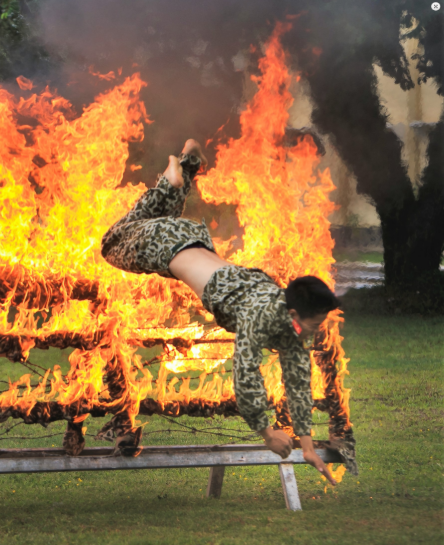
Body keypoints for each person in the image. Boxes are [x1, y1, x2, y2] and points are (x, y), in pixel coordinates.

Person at [101, 139, 339, 485]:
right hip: (167, 245)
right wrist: (267, 432)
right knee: (111, 243)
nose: (316, 331)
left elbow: (298, 381)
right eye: (314, 323)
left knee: (141, 223)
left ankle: (180, 173)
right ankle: (177, 176)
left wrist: (307, 446)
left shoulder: (287, 315)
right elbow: (246, 375)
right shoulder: (261, 315)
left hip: (189, 240)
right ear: (293, 313)